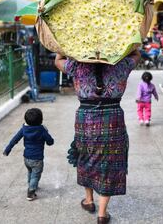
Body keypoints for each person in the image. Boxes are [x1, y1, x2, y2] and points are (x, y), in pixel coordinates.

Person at [55, 49, 140, 224]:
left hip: (86, 117)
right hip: (113, 117)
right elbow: (136, 55)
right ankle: (102, 214)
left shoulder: (77, 65)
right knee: (110, 162)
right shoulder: (120, 65)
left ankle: (89, 200)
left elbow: (58, 61)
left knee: (86, 157)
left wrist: (61, 47)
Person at [3, 108, 54, 201]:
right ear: (41, 120)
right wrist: (47, 134)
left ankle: (31, 184)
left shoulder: (24, 129)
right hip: (37, 159)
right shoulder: (42, 130)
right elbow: (50, 142)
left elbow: (14, 139)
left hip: (26, 158)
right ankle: (31, 192)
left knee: (30, 171)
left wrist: (7, 149)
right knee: (36, 174)